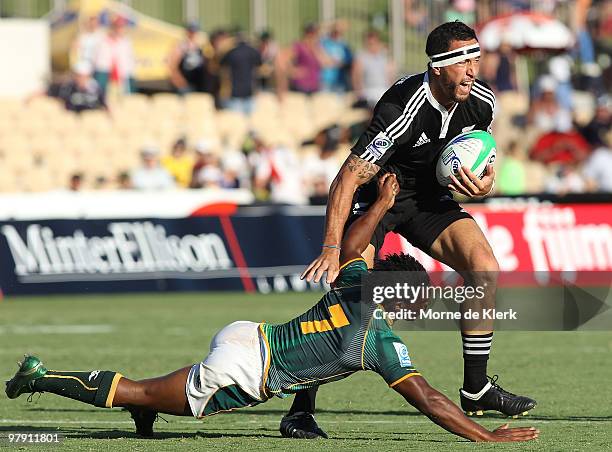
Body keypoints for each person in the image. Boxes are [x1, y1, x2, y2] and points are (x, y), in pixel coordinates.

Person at [5, 174, 539, 444]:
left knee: (163, 394)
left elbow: (353, 246)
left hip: (248, 334)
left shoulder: (354, 282)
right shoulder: (383, 345)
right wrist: (486, 436)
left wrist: (378, 204)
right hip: (244, 371)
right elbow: (432, 401)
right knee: (138, 391)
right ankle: (40, 377)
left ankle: (157, 409)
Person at [292, 21, 536, 439]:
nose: (473, 70)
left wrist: (485, 182)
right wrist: (332, 246)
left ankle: (476, 388)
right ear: (439, 67)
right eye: (463, 62)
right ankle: (300, 409)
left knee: (484, 268)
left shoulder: (482, 103)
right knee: (351, 300)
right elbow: (347, 179)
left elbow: (483, 156)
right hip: (380, 199)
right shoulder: (401, 107)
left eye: (476, 59)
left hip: (429, 201)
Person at [220, 31, 262, 115]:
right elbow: (260, 64)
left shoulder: (231, 53)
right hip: (249, 91)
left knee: (236, 122)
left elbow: (221, 64)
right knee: (250, 120)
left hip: (235, 92)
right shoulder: (252, 51)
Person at [352, 29, 395, 109]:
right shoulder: (361, 56)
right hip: (369, 92)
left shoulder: (384, 56)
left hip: (384, 90)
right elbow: (356, 76)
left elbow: (390, 75)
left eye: (374, 43)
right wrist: (359, 93)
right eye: (369, 43)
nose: (372, 45)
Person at [167, 22, 209, 94]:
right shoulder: (181, 47)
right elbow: (172, 66)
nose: (193, 34)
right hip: (184, 85)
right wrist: (179, 82)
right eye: (191, 31)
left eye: (195, 31)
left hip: (197, 83)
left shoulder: (200, 47)